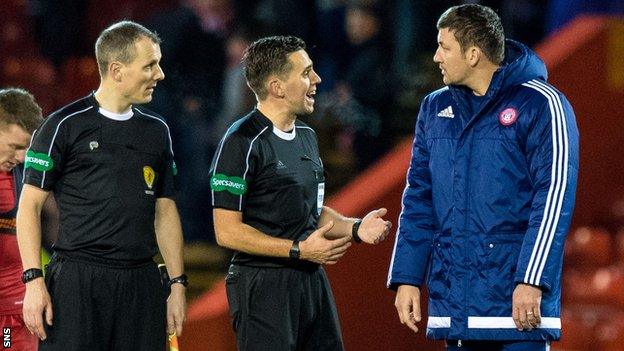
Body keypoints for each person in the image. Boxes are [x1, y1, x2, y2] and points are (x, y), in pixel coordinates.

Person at [387, 4, 578, 351]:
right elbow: (419, 198)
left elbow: (554, 196)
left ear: (473, 54)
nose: (435, 57)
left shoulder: (542, 104)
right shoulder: (434, 108)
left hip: (517, 308)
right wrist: (407, 278)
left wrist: (532, 280)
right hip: (457, 307)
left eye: (444, 47)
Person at [210, 35, 392, 350]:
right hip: (262, 284)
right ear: (277, 87)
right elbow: (226, 232)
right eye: (306, 72)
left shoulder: (307, 136)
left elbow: (313, 212)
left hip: (311, 278)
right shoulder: (241, 141)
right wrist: (298, 250)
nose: (317, 79)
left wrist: (357, 228)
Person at [16, 21, 186, 351]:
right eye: (150, 65)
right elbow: (29, 206)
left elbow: (165, 211)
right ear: (117, 70)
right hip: (78, 283)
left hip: (141, 282)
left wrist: (178, 285)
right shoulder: (63, 125)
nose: (160, 74)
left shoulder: (157, 131)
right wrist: (33, 281)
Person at [0, 88, 44, 351]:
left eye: (26, 148)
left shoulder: (29, 178)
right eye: (15, 147)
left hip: (13, 317)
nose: (21, 157)